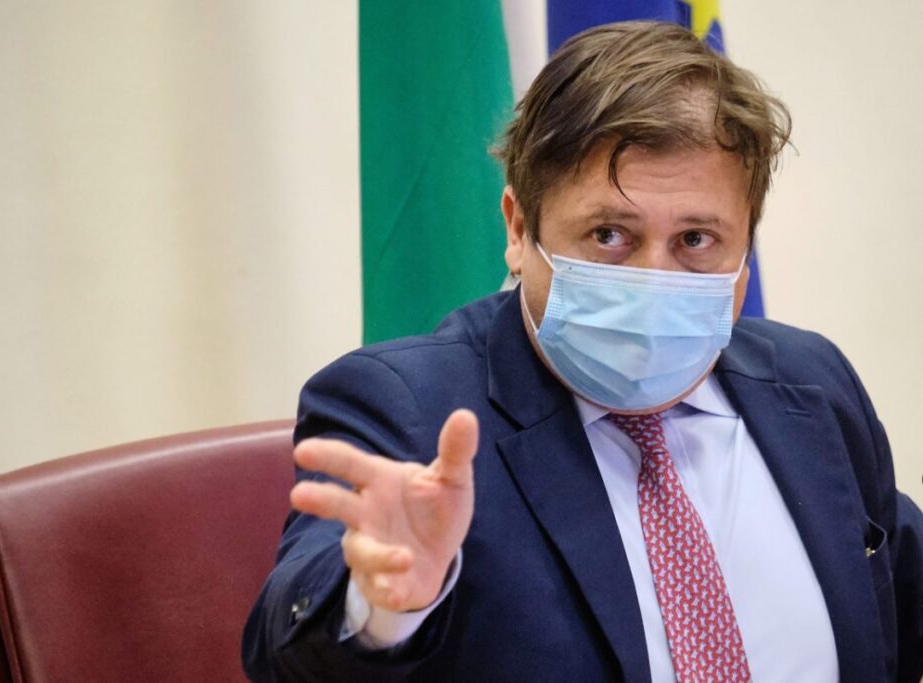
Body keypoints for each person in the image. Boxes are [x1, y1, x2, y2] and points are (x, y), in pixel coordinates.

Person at [242, 20, 923, 682]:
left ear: (745, 250)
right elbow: (285, 653)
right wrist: (384, 605)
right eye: (609, 234)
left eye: (695, 240)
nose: (654, 278)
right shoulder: (409, 409)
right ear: (518, 228)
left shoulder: (810, 383)